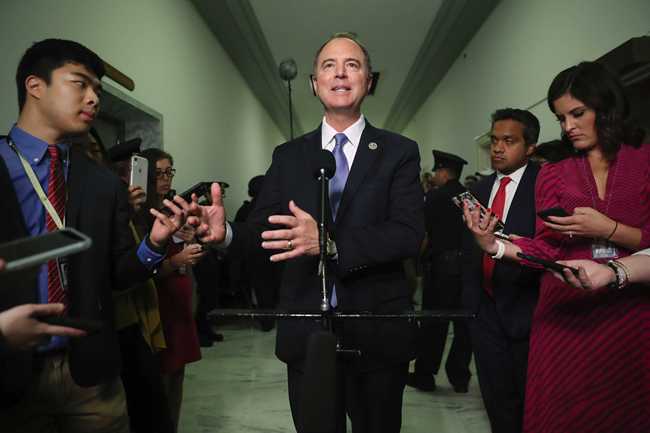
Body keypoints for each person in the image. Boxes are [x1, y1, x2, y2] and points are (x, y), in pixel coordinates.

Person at [189, 32, 424, 433]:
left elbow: (406, 233)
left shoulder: (398, 151)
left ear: (369, 81)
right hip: (305, 330)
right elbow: (266, 231)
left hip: (376, 329)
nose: (340, 74)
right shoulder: (289, 155)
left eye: (353, 65)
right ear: (314, 84)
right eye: (328, 66)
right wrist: (226, 233)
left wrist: (330, 244)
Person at [0, 39, 186, 432]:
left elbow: (119, 273)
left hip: (90, 372)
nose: (93, 99)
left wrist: (153, 244)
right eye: (79, 84)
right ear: (36, 86)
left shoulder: (102, 182)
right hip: (9, 371)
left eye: (98, 91)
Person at [464, 62, 649, 432]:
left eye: (577, 114)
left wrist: (609, 229)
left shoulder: (643, 162)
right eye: (560, 118)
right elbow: (546, 250)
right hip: (564, 317)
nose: (568, 127)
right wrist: (494, 245)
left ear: (606, 106)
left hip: (631, 313)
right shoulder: (554, 172)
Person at [462, 108, 541, 433]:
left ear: (530, 147)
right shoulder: (478, 191)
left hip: (530, 309)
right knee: (496, 399)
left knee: (531, 401)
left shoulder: (545, 186)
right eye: (494, 140)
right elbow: (469, 249)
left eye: (509, 141)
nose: (497, 148)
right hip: (485, 311)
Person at [137, 148, 204, 432]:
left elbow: (189, 252)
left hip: (180, 303)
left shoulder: (172, 206)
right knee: (157, 386)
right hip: (156, 306)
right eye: (159, 174)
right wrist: (174, 260)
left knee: (176, 377)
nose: (165, 179)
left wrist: (192, 240)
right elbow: (139, 269)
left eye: (169, 172)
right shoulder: (139, 213)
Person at [408, 150, 472, 393]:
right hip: (465, 268)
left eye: (437, 171)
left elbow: (424, 234)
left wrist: (416, 260)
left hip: (441, 269)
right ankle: (460, 376)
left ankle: (425, 374)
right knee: (464, 325)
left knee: (434, 323)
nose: (434, 175)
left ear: (444, 172)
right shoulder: (468, 196)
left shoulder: (434, 197)